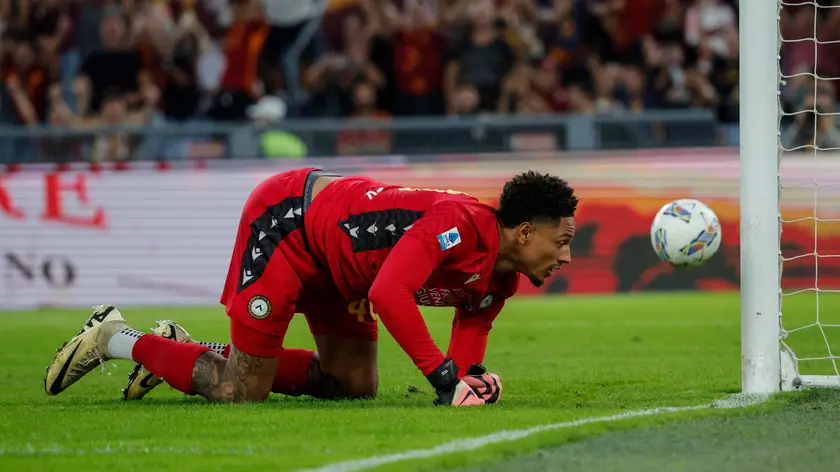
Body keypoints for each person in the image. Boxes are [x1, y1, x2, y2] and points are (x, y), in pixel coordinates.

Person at [44, 168, 578, 406]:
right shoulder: (460, 225)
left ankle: (183, 349)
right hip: (290, 223)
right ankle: (113, 335)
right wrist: (441, 376)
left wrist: (468, 383)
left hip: (340, 266)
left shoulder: (501, 279)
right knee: (240, 391)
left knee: (352, 385)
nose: (567, 256)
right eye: (561, 241)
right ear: (525, 231)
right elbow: (390, 293)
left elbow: (472, 330)